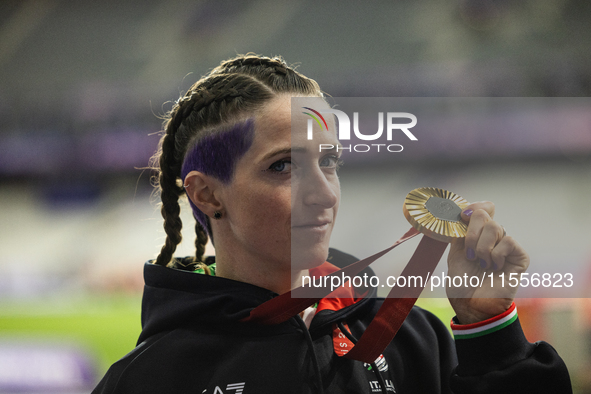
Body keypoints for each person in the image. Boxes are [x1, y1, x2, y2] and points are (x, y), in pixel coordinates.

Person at [92, 54, 572, 393]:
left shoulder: (414, 338)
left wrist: (489, 330)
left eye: (329, 162)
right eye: (283, 166)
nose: (323, 194)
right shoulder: (148, 379)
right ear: (207, 193)